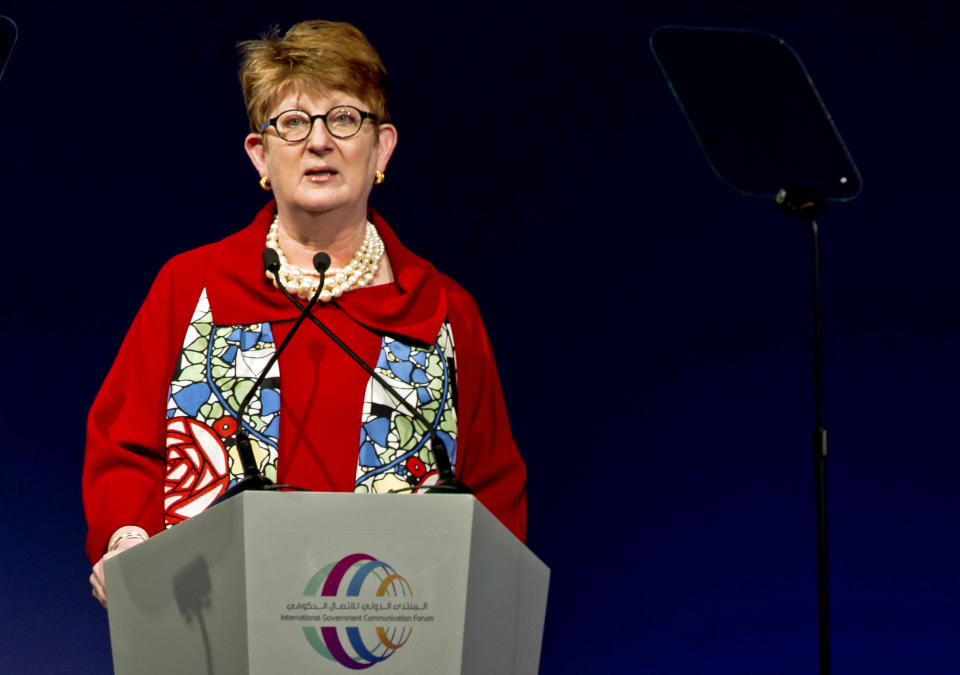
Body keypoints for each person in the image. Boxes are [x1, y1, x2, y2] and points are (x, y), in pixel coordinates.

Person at [84, 20, 526, 608]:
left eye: (344, 118)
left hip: (394, 641)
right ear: (259, 154)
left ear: (382, 147)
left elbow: (494, 491)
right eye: (292, 123)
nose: (319, 142)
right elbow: (124, 448)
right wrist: (127, 540)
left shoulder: (443, 311)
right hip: (211, 630)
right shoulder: (192, 287)